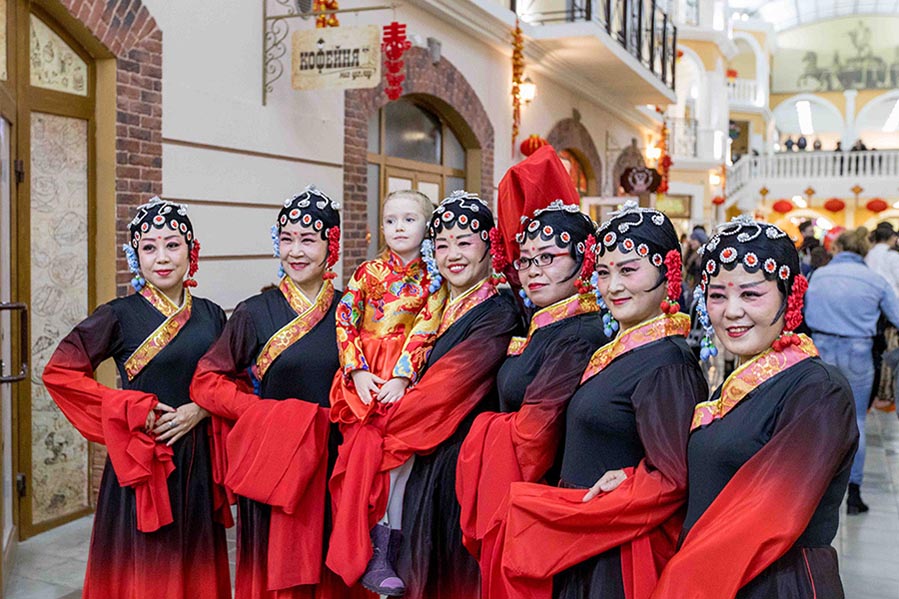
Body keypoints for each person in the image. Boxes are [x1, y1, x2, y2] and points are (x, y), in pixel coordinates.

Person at [490, 202, 709, 599]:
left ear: (667, 273)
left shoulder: (668, 362)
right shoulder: (617, 349)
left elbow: (674, 477)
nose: (614, 286)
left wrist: (626, 481)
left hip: (617, 549)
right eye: (605, 273)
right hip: (584, 537)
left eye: (629, 270)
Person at [650, 216, 858, 598]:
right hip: (712, 576)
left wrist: (680, 581)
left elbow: (766, 518)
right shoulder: (733, 385)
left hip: (777, 584)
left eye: (750, 294)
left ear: (789, 296)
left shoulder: (819, 392)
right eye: (717, 295)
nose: (730, 311)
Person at [42, 198, 230, 599]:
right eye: (149, 247)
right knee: (144, 569)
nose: (161, 258)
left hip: (198, 462)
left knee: (193, 562)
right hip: (142, 462)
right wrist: (131, 409)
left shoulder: (213, 315)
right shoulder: (117, 315)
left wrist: (202, 408)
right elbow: (59, 373)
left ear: (191, 251)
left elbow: (230, 383)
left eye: (173, 245)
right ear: (135, 256)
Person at [353, 190, 524, 599]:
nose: (453, 255)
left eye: (465, 243)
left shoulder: (498, 313)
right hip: (418, 456)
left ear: (490, 245)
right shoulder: (438, 300)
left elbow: (442, 390)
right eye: (443, 244)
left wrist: (375, 423)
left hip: (453, 466)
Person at [456, 146, 610, 597]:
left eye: (549, 257)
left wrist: (477, 429)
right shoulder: (543, 322)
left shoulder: (578, 333)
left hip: (537, 503)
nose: (533, 271)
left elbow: (533, 437)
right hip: (518, 500)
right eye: (526, 259)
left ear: (583, 261)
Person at [190, 186, 352, 598]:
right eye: (287, 239)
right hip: (275, 460)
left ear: (331, 245)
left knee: (331, 571)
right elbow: (206, 380)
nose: (295, 251)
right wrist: (261, 412)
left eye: (308, 240)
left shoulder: (351, 309)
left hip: (334, 463)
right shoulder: (253, 312)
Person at [327, 189, 444, 595]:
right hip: (364, 375)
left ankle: (386, 547)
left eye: (409, 219)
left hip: (403, 377)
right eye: (391, 220)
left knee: (399, 460)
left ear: (428, 227)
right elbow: (345, 318)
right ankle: (367, 544)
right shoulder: (367, 272)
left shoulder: (435, 278)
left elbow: (427, 327)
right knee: (366, 457)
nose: (398, 227)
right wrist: (357, 369)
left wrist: (403, 376)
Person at [805, 227, 899, 515]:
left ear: (837, 249)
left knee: (817, 420)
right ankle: (854, 494)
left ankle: (813, 488)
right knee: (856, 419)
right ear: (864, 251)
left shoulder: (818, 275)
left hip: (820, 349)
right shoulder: (875, 280)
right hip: (858, 351)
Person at [866, 222, 899, 411]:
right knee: (891, 352)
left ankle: (878, 392)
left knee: (878, 351)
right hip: (892, 309)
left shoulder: (869, 254)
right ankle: (887, 394)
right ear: (892, 237)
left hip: (873, 309)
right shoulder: (891, 255)